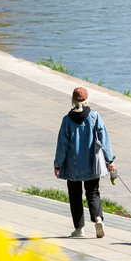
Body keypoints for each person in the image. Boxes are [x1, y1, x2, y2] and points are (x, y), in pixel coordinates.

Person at [54, 87, 116, 238]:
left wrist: (58, 164)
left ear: (73, 101)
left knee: (75, 196)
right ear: (87, 100)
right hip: (92, 164)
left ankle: (79, 229)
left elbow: (62, 145)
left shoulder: (67, 120)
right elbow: (104, 141)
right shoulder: (95, 117)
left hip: (72, 165)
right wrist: (110, 160)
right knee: (93, 193)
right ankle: (98, 219)